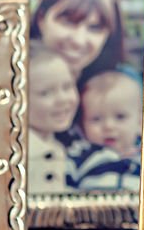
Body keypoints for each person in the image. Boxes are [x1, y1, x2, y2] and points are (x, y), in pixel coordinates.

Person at [28, 41, 127, 192]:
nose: (62, 99)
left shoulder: (62, 146)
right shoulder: (26, 151)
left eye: (67, 86)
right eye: (45, 92)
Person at [30, 0, 126, 87]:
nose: (78, 40)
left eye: (95, 28)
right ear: (41, 19)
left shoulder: (121, 89)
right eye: (68, 22)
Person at [79, 69, 143, 191]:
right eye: (96, 119)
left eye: (120, 117)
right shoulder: (81, 156)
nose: (108, 126)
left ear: (140, 122)